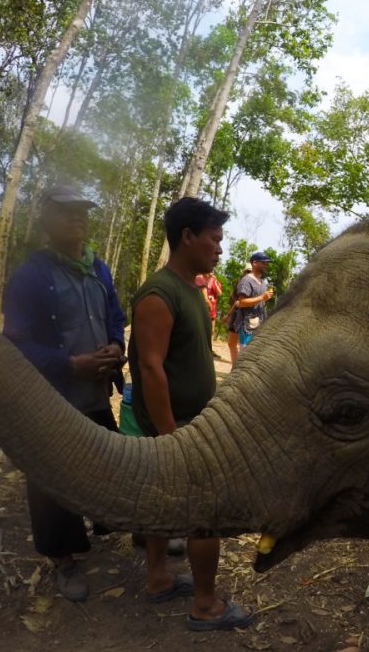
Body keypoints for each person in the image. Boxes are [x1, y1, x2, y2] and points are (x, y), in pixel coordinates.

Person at [127, 197, 253, 631]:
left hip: (190, 423)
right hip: (176, 429)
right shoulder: (159, 295)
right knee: (205, 516)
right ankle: (206, 605)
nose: (220, 248)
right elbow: (149, 367)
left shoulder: (192, 287)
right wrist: (170, 435)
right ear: (187, 237)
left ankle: (159, 578)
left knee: (162, 504)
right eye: (214, 239)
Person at [2, 184, 127, 602]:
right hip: (52, 397)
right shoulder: (32, 275)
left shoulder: (99, 268)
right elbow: (15, 343)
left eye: (84, 211)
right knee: (51, 478)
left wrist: (116, 345)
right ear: (46, 219)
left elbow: (115, 315)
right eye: (67, 211)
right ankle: (63, 557)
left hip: (93, 394)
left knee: (109, 459)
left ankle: (107, 519)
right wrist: (69, 363)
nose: (78, 217)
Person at [230, 250, 274, 354]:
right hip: (248, 325)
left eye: (266, 263)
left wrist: (264, 298)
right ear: (254, 263)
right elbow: (242, 302)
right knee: (245, 355)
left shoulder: (262, 282)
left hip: (259, 324)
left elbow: (260, 301)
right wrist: (262, 297)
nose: (266, 265)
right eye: (263, 263)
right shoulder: (246, 281)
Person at [195, 271, 223, 357]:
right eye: (209, 271)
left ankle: (209, 349)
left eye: (212, 272)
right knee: (199, 328)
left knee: (211, 330)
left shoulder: (215, 281)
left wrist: (214, 281)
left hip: (212, 309)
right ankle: (198, 348)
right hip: (199, 307)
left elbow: (219, 293)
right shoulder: (199, 278)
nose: (210, 273)